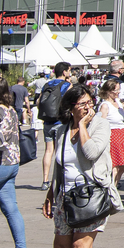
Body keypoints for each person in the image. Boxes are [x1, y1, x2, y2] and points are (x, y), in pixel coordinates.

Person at [42, 82, 124, 248]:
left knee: (79, 245)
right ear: (70, 107)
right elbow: (59, 166)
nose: (88, 107)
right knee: (60, 246)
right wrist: (50, 194)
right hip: (65, 195)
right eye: (82, 104)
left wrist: (82, 125)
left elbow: (91, 152)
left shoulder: (100, 125)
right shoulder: (61, 131)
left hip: (91, 195)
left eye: (90, 102)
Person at [0, 77, 27, 248]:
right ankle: (21, 247)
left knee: (10, 209)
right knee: (11, 210)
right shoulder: (11, 110)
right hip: (11, 164)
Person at [40, 61, 72, 191]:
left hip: (47, 121)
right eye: (69, 70)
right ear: (64, 72)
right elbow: (70, 102)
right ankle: (61, 179)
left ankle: (45, 180)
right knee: (62, 150)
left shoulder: (47, 84)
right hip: (60, 122)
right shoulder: (67, 85)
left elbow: (39, 101)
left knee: (48, 151)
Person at [95, 80, 124, 193]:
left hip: (122, 135)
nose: (118, 92)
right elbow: (101, 123)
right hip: (112, 135)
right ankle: (110, 191)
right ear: (108, 91)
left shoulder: (118, 102)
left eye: (119, 89)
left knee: (122, 166)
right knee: (114, 167)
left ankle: (113, 187)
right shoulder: (105, 105)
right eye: (116, 90)